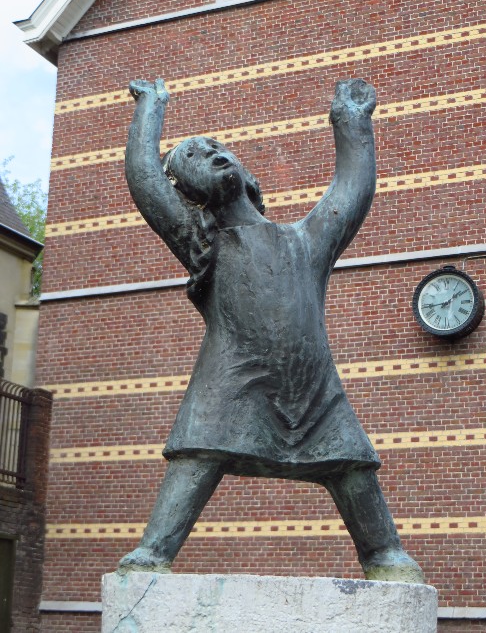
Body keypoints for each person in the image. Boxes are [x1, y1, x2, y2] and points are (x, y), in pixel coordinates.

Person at [119, 77, 424, 583]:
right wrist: (151, 110)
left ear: (245, 172)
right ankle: (154, 550)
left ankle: (383, 554)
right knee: (198, 452)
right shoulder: (202, 244)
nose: (214, 154)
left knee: (350, 465)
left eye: (220, 149)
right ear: (188, 193)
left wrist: (351, 125)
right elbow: (146, 179)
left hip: (312, 385)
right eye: (195, 155)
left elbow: (350, 192)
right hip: (232, 378)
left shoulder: (306, 240)